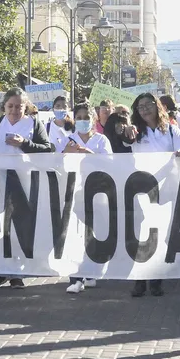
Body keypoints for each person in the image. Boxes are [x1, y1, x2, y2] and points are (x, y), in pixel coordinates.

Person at [0, 88, 54, 289]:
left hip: (24, 181)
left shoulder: (34, 124)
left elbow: (47, 148)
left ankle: (17, 272)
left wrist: (24, 143)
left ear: (25, 107)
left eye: (19, 106)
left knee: (19, 226)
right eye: (10, 106)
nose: (14, 110)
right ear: (4, 106)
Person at [126, 93, 180, 297]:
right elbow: (123, 138)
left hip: (165, 189)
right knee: (141, 235)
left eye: (147, 105)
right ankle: (139, 280)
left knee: (159, 235)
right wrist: (124, 130)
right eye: (140, 107)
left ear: (157, 106)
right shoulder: (136, 132)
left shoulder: (171, 130)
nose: (144, 109)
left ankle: (156, 279)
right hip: (141, 189)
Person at [63, 102, 112, 294]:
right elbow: (57, 163)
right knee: (76, 235)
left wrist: (90, 154)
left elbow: (111, 163)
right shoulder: (69, 140)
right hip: (75, 193)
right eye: (79, 117)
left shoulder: (101, 140)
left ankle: (92, 273)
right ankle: (76, 278)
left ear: (94, 119)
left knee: (95, 234)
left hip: (98, 194)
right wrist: (66, 153)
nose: (83, 121)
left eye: (86, 117)